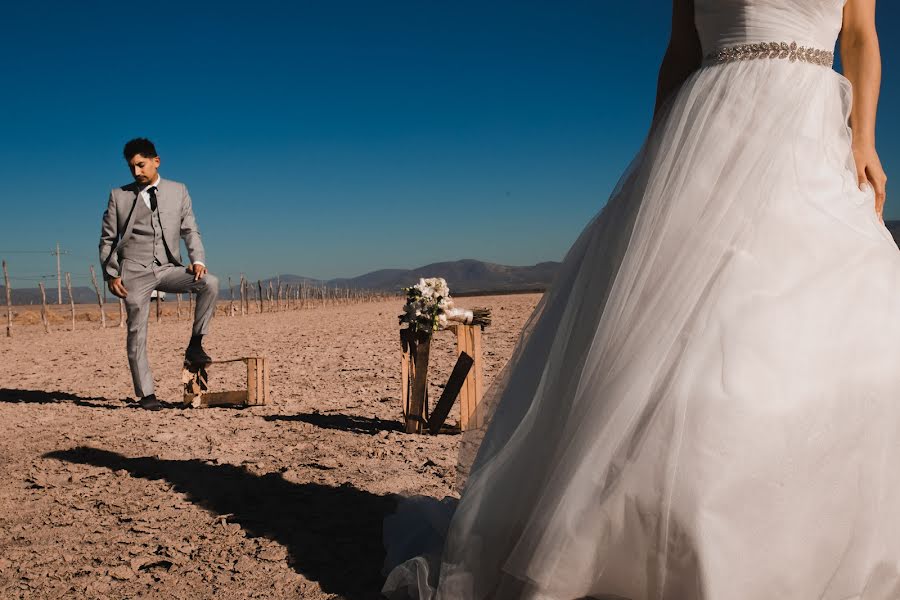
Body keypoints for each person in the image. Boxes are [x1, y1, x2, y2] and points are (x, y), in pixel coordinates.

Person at [383, 0, 899, 598]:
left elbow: (861, 34)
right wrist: (658, 153)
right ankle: (649, 535)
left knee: (816, 323)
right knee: (688, 334)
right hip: (711, 129)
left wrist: (865, 139)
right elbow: (681, 50)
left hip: (811, 135)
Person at [99, 138, 219, 411]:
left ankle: (195, 344)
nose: (136, 172)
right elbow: (107, 240)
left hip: (168, 268)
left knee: (209, 283)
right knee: (136, 332)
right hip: (134, 273)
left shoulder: (178, 191)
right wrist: (111, 274)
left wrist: (197, 259)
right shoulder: (119, 195)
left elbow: (190, 229)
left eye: (141, 165)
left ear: (156, 161)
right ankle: (147, 395)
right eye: (132, 168)